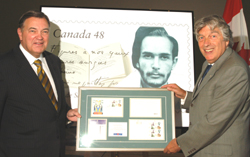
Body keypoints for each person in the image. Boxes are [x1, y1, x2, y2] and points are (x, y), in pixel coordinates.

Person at [162, 15, 250, 156]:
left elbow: (216, 120)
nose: (206, 43)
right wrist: (186, 97)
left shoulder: (235, 69)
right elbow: (214, 100)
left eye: (213, 36)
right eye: (201, 38)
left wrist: (181, 143)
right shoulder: (210, 64)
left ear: (226, 40)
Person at [0, 10, 81, 157]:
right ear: (20, 33)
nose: (40, 37)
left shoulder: (54, 62)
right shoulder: (4, 66)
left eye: (44, 31)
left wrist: (66, 113)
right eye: (33, 31)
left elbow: (51, 105)